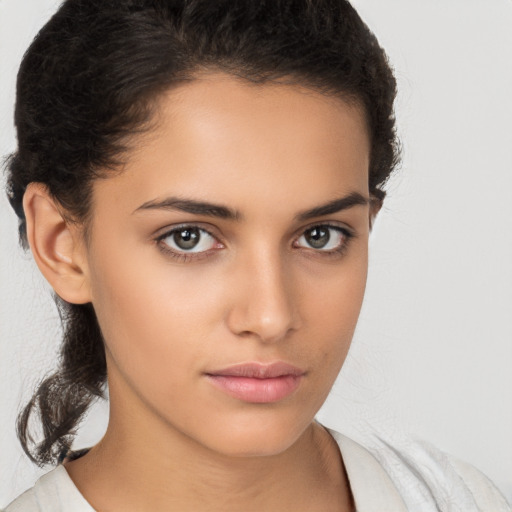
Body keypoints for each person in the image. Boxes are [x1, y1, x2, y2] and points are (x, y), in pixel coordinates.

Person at [2, 1, 510, 511]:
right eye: (189, 238)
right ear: (62, 246)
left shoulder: (461, 501)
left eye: (320, 236)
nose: (271, 317)